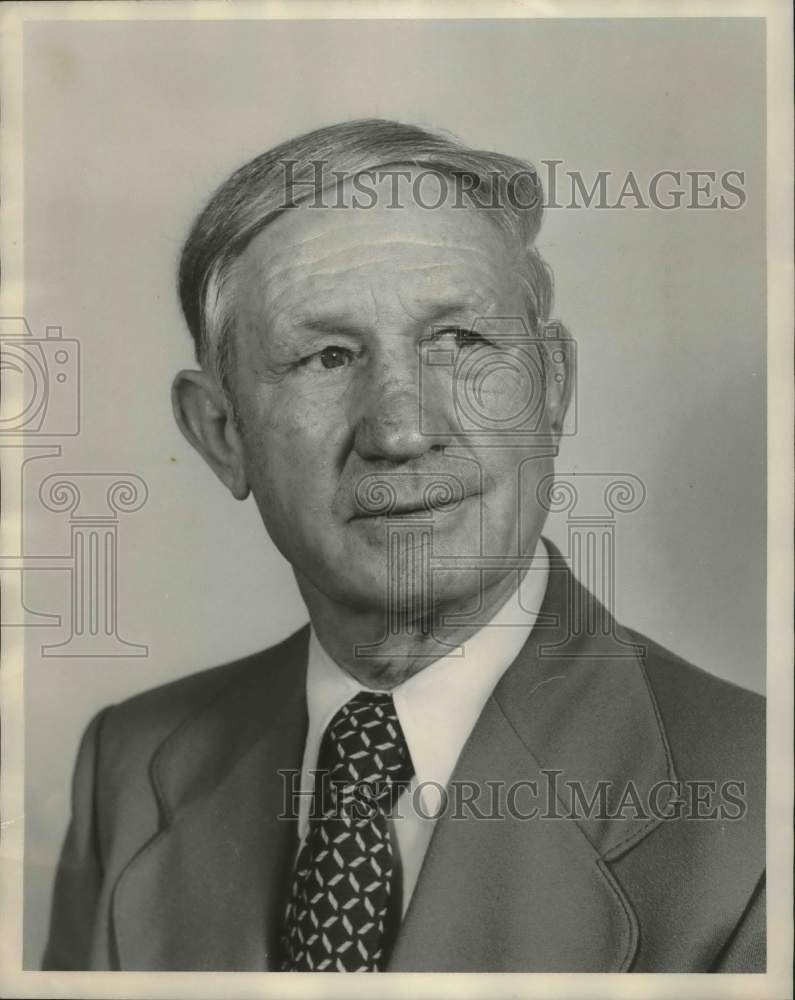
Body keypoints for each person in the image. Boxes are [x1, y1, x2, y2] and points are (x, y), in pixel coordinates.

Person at [43, 119, 764, 973]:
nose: (401, 429)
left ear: (553, 386)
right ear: (220, 431)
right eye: (326, 356)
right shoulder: (127, 764)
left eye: (459, 342)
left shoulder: (761, 807)